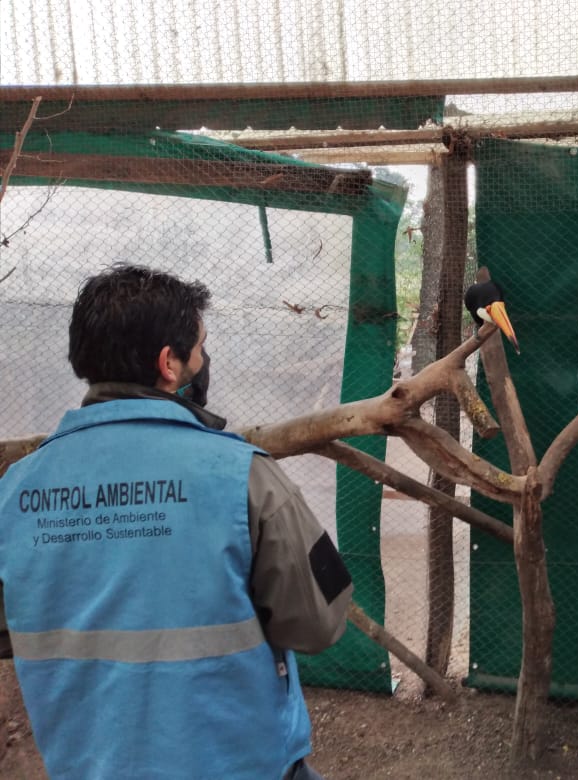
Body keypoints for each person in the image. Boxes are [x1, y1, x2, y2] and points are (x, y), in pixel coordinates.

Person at [0, 264, 354, 780]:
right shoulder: (244, 476)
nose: (205, 360)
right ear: (169, 363)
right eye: (201, 347)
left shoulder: (13, 491)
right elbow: (318, 624)